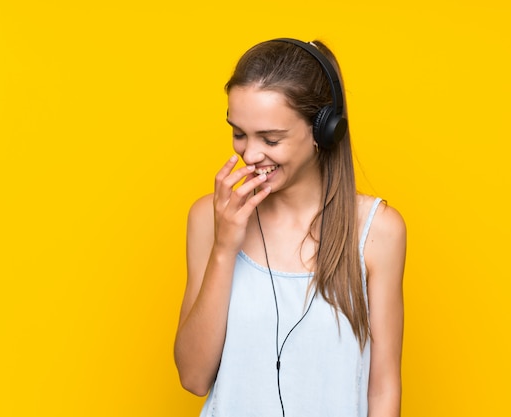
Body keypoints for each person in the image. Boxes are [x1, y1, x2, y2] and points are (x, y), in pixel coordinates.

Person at [174, 38, 406, 417]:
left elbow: (382, 390)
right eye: (238, 133)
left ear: (323, 131)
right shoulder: (209, 217)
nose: (249, 155)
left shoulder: (379, 231)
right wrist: (224, 248)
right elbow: (193, 377)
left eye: (270, 139)